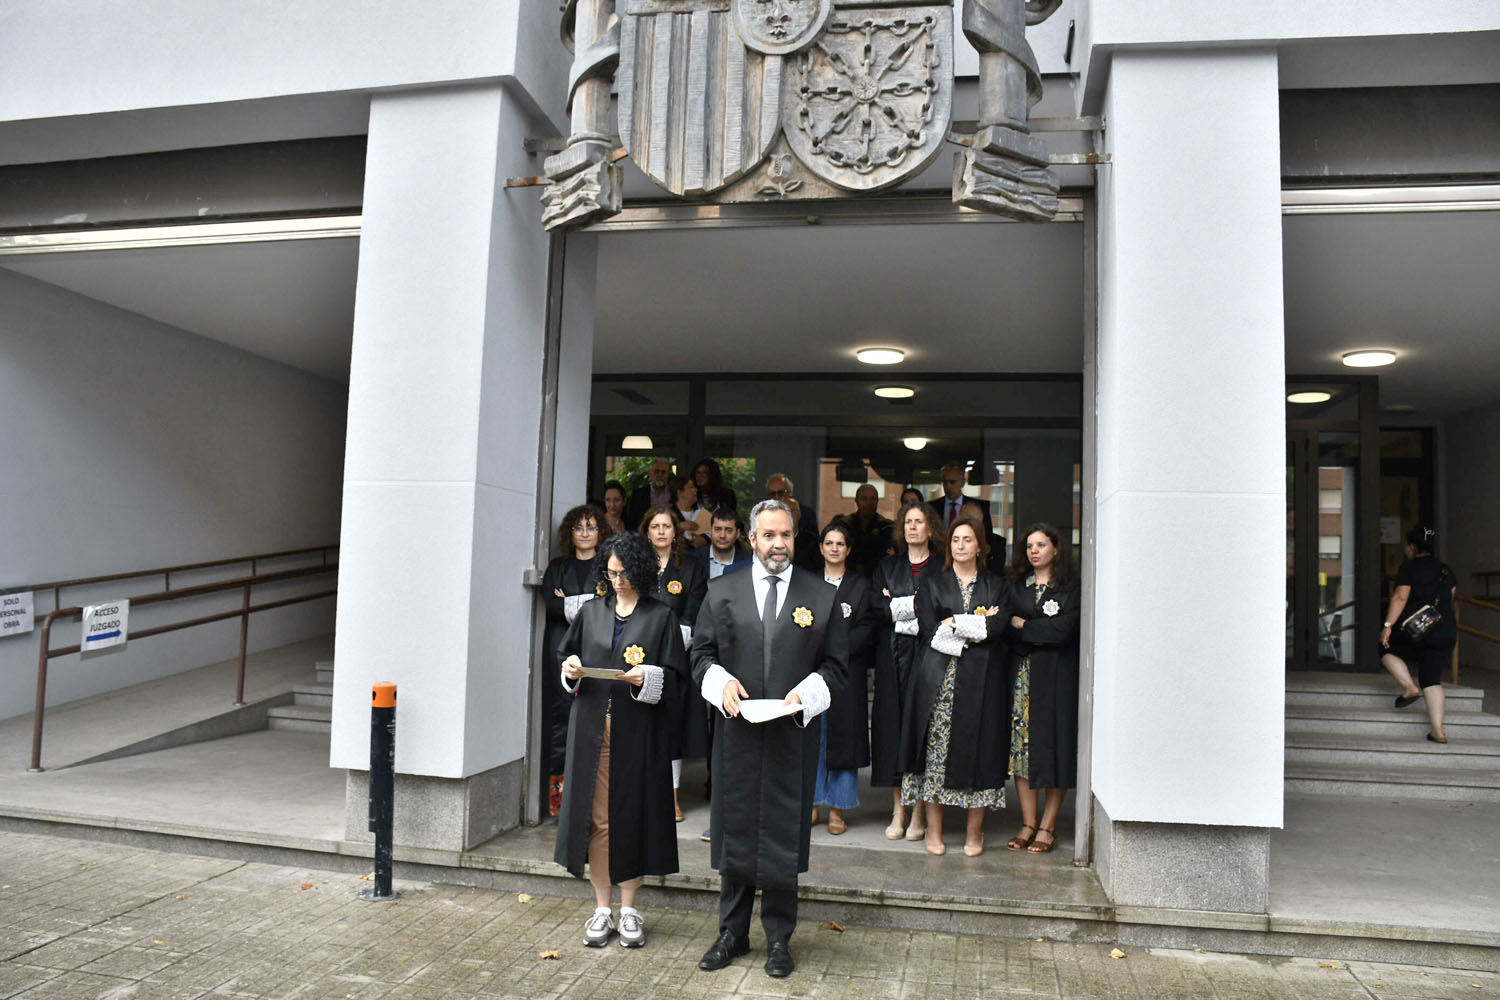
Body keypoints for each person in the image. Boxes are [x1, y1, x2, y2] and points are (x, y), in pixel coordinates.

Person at [690, 500, 849, 979]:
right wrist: (720, 684)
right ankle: (731, 934)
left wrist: (807, 693)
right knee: (736, 831)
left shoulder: (820, 596)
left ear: (794, 539)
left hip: (790, 736)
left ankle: (780, 938)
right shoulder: (721, 591)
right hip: (736, 734)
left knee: (781, 835)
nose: (778, 544)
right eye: (769, 535)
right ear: (752, 539)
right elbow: (699, 654)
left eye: (786, 535)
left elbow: (838, 668)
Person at [554, 531, 687, 949]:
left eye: (626, 573)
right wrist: (571, 669)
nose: (618, 581)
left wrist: (648, 677)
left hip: (639, 732)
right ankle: (601, 909)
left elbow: (677, 679)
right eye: (611, 573)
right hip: (591, 729)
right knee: (597, 821)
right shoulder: (592, 612)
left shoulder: (661, 616)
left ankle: (630, 909)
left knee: (634, 816)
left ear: (642, 571)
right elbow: (566, 658)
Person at [899, 518, 1009, 856]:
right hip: (938, 680)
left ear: (980, 546)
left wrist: (957, 622)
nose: (961, 545)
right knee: (934, 754)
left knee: (981, 752)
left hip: (983, 682)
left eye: (968, 539)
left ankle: (974, 833)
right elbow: (932, 631)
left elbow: (999, 627)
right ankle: (934, 831)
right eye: (956, 540)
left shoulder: (996, 584)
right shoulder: (934, 584)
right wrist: (976, 625)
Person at [1002, 522, 1081, 855]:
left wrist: (1028, 626)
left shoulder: (1070, 587)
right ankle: (1028, 822)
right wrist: (1038, 630)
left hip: (1057, 679)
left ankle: (1048, 825)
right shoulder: (1017, 587)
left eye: (1041, 545)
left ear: (1056, 549)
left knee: (1055, 747)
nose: (1033, 551)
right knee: (1021, 752)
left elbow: (1064, 631)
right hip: (1022, 679)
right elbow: (1006, 625)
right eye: (1029, 546)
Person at [870, 500, 946, 841]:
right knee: (892, 731)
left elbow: (941, 611)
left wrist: (898, 604)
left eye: (919, 522)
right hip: (891, 659)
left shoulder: (943, 567)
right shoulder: (887, 566)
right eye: (908, 522)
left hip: (929, 658)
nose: (913, 527)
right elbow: (876, 609)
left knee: (924, 731)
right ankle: (898, 808)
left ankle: (919, 812)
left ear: (930, 528)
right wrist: (914, 607)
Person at [540, 504, 610, 815]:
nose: (584, 533)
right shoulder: (558, 566)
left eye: (591, 527)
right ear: (571, 532)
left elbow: (608, 605)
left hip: (596, 649)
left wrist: (568, 600)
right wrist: (587, 604)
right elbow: (550, 605)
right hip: (561, 649)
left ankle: (592, 801)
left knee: (595, 717)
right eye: (579, 527)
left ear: (601, 533)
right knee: (560, 719)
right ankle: (559, 804)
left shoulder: (608, 566)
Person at [641, 504, 709, 820]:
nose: (661, 531)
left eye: (667, 526)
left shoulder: (691, 567)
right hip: (636, 659)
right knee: (640, 727)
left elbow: (693, 613)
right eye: (655, 526)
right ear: (647, 531)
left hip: (675, 660)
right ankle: (640, 795)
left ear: (676, 530)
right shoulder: (634, 564)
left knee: (670, 728)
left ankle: (672, 798)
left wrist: (664, 645)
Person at [812, 521, 876, 835]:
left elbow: (867, 627)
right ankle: (810, 804)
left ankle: (837, 809)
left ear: (848, 549)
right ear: (821, 547)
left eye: (840, 543)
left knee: (843, 739)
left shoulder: (861, 586)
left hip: (847, 674)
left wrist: (836, 651)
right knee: (812, 736)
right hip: (811, 673)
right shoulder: (808, 584)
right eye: (829, 543)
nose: (834, 548)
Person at [1381, 524, 1458, 743]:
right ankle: (1438, 731)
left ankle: (1409, 687)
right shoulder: (1446, 570)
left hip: (1419, 629)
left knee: (1385, 647)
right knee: (1432, 678)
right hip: (1445, 630)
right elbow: (1450, 597)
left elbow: (1400, 597)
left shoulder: (1409, 568)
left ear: (1413, 547)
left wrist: (1388, 625)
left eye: (1407, 545)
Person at [766, 472, 820, 571]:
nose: (777, 497)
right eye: (773, 493)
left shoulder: (805, 513)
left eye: (781, 492)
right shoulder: (763, 515)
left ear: (790, 492)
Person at [842, 483, 894, 577]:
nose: (868, 503)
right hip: (848, 577)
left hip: (878, 578)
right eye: (864, 499)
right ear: (856, 501)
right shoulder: (844, 525)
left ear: (877, 501)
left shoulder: (887, 527)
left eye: (872, 499)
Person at [691, 507, 753, 580]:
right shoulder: (694, 558)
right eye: (717, 529)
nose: (722, 535)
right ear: (710, 531)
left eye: (728, 530)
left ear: (737, 534)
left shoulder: (748, 562)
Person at [960, 498, 1007, 574]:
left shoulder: (997, 543)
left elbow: (997, 572)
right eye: (961, 518)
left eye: (969, 518)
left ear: (980, 517)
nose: (964, 522)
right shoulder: (954, 541)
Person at [626, 457, 673, 530]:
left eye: (663, 472)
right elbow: (631, 522)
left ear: (668, 474)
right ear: (650, 473)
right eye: (656, 471)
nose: (660, 475)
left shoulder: (674, 493)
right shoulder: (638, 495)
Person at [670, 474, 711, 548]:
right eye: (691, 487)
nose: (696, 489)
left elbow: (711, 533)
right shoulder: (667, 514)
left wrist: (705, 539)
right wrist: (679, 526)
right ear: (680, 492)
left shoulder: (701, 513)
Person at [934, 463, 968, 528]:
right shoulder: (932, 507)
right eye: (945, 482)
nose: (948, 486)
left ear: (963, 482)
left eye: (952, 482)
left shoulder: (978, 506)